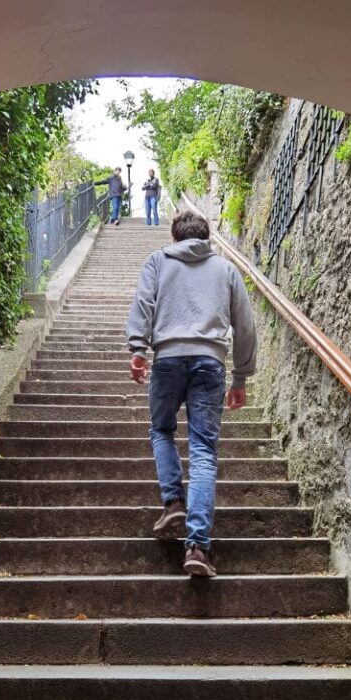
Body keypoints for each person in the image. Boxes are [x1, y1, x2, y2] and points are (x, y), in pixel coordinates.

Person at [126, 209, 258, 577]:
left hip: (166, 359)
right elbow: (245, 324)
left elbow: (144, 303)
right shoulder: (226, 269)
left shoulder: (158, 261)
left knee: (161, 430)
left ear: (174, 238)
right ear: (206, 239)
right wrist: (241, 377)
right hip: (210, 362)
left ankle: (172, 503)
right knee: (203, 450)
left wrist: (138, 350)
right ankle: (197, 547)